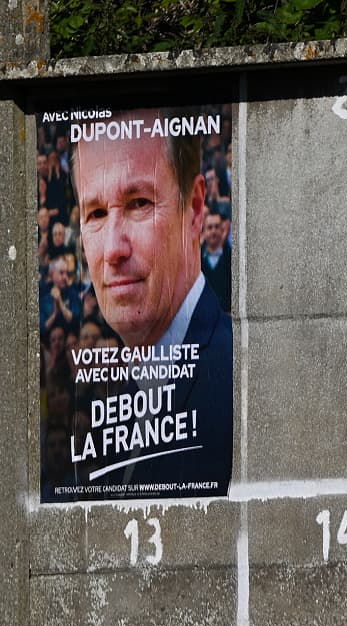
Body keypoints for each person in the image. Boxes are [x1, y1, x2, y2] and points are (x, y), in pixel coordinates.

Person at [59, 106, 232, 495]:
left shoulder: (239, 378)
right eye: (96, 213)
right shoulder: (119, 394)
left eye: (139, 203)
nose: (113, 250)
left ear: (195, 209)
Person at [201, 201, 232, 312]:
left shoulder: (232, 259)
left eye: (217, 227)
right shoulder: (195, 261)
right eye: (210, 227)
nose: (213, 231)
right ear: (203, 232)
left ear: (222, 230)